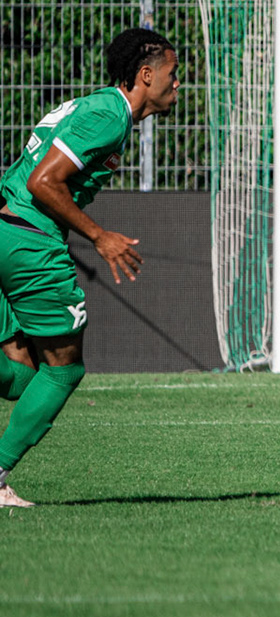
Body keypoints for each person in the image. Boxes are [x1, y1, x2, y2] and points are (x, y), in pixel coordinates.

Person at [0, 27, 182, 505]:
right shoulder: (107, 115)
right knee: (63, 370)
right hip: (29, 241)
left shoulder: (96, 107)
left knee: (21, 373)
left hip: (8, 230)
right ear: (146, 75)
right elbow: (43, 181)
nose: (177, 83)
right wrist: (100, 237)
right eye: (173, 73)